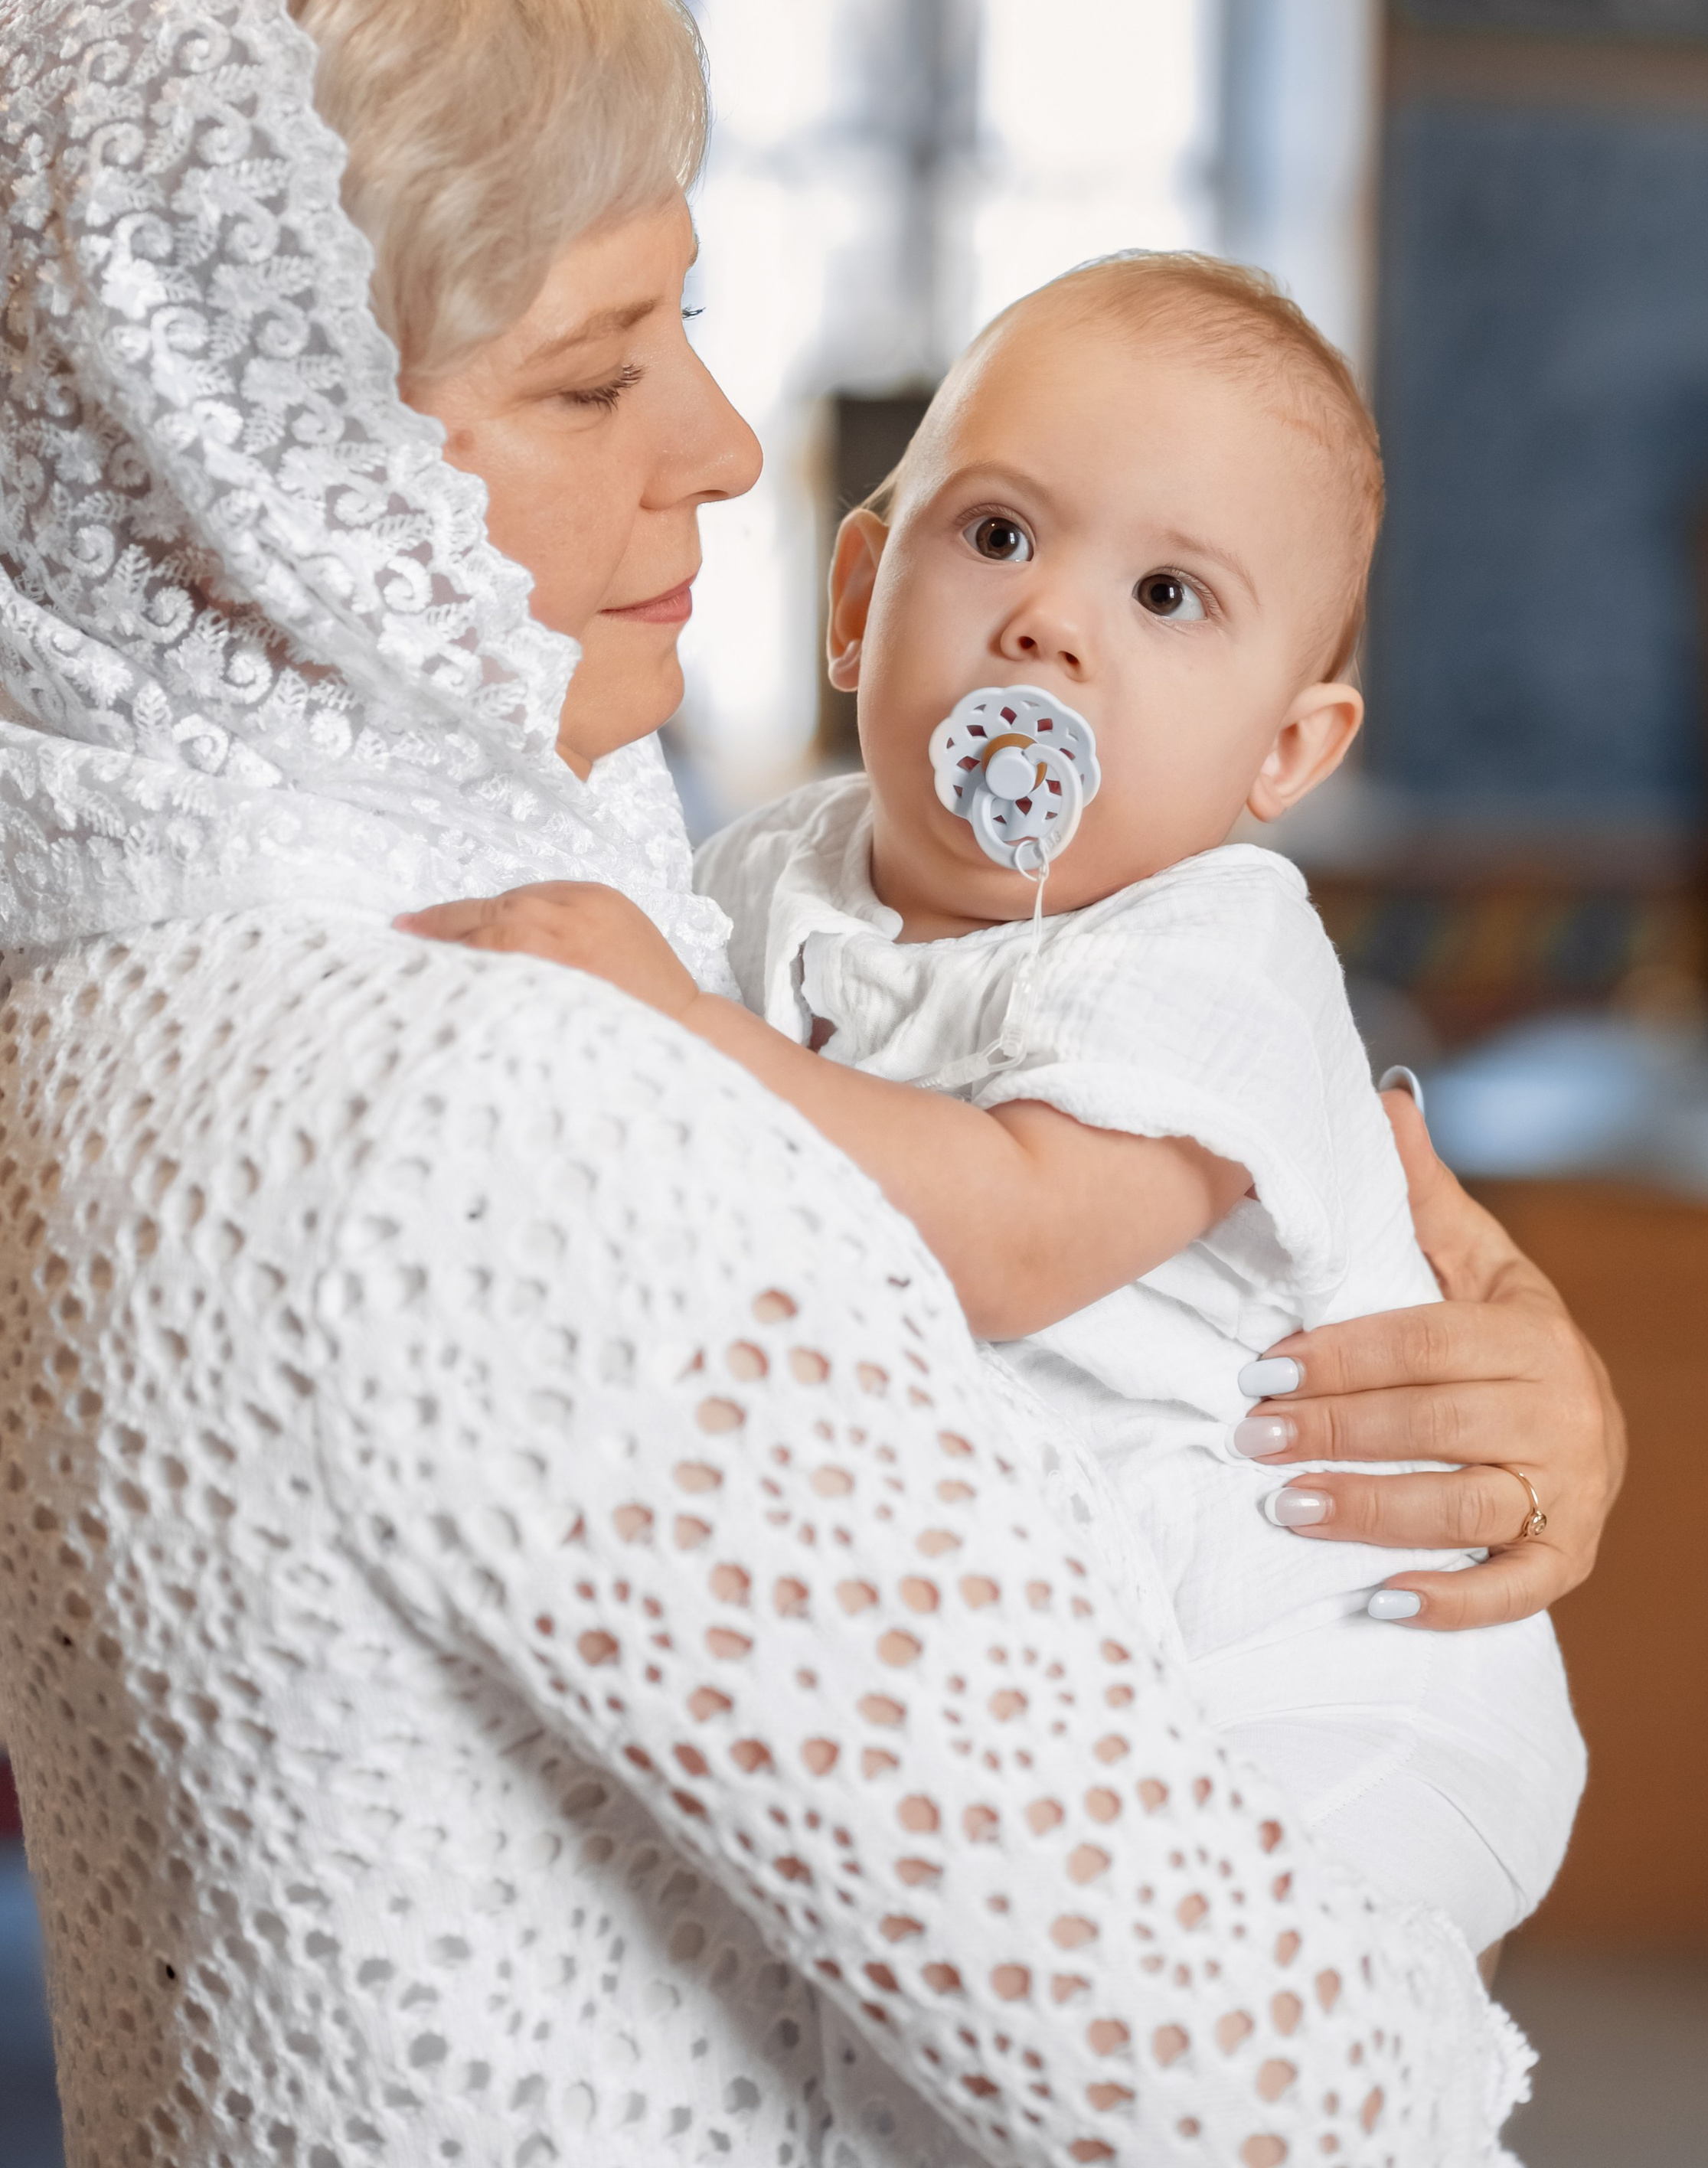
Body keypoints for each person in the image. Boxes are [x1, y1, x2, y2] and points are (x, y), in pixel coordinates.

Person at [0, 0, 1623, 2166]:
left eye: (694, 328)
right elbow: (1278, 2099)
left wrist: (1466, 1360)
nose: (730, 446)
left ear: (1300, 742)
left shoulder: (120, 995)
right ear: (254, 453)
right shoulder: (499, 1094)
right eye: (591, 377)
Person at [407, 255, 1586, 1957]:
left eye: (1171, 597)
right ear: (857, 594)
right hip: (1047, 1648)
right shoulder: (759, 880)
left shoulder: (1221, 945)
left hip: (1336, 1667)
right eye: (998, 536)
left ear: (1285, 752)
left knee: (1209, 2050)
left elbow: (1017, 1237)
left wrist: (664, 1023)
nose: (1051, 623)